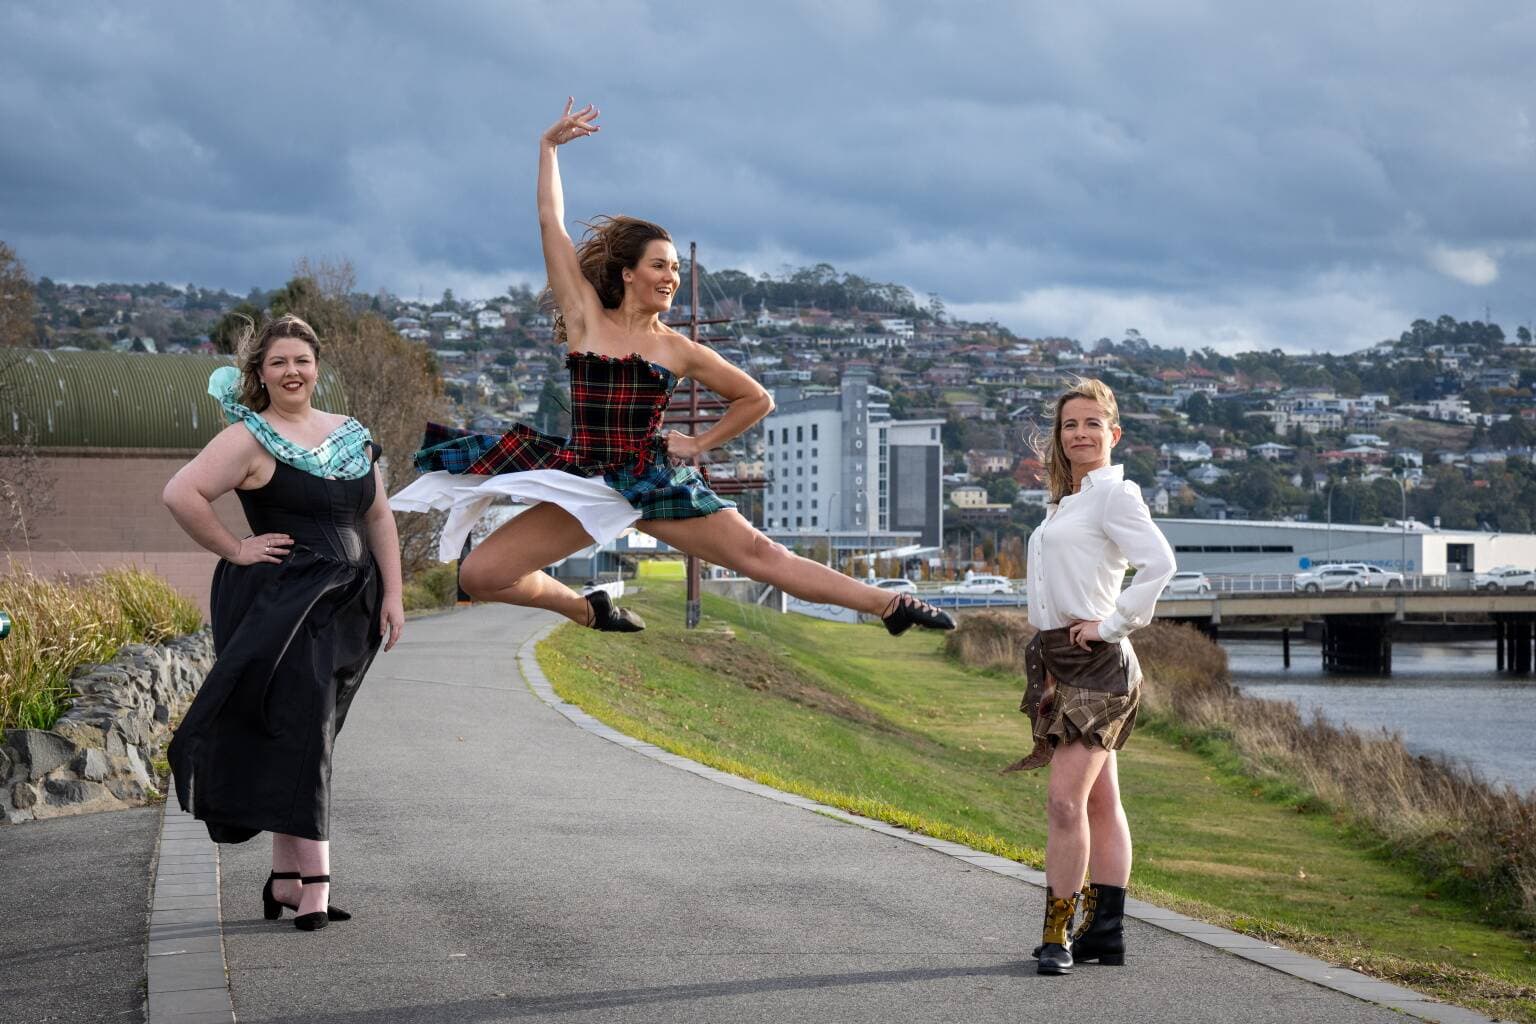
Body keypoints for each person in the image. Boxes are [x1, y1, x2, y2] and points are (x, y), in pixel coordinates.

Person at [389, 99, 954, 638]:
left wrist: (699, 443)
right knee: (480, 576)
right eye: (660, 265)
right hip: (586, 475)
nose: (672, 277)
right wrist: (548, 149)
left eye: (677, 269)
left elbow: (756, 399)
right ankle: (588, 610)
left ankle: (891, 604)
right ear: (628, 272)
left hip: (652, 479)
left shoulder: (679, 348)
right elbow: (550, 222)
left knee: (762, 556)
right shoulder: (586, 317)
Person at [163, 314, 405, 932]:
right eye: (278, 363)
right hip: (286, 605)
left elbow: (378, 518)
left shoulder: (352, 434)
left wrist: (394, 594)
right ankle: (315, 883)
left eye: (301, 360)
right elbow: (181, 493)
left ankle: (285, 878)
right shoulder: (249, 437)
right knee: (304, 730)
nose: (292, 372)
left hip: (351, 603)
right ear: (260, 374)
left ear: (317, 367)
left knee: (304, 729)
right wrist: (236, 548)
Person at [1016, 378, 1175, 974]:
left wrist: (1112, 625)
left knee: (1063, 802)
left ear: (1114, 432)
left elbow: (1161, 562)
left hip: (1101, 666)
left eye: (1091, 423)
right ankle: (1106, 933)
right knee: (1100, 801)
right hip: (1062, 661)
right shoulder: (1069, 500)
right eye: (1068, 425)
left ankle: (1057, 937)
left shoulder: (1115, 496)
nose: (1079, 434)